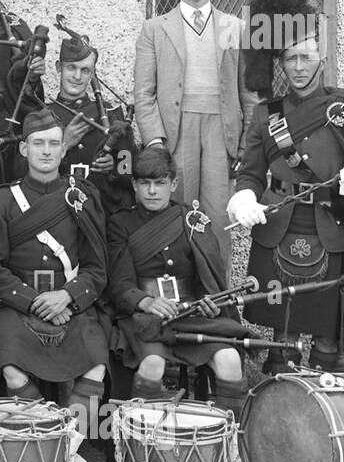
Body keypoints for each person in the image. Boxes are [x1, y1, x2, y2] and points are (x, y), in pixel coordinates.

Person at [228, 0, 344, 374]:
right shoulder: (265, 116)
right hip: (278, 229)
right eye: (291, 59)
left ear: (321, 58)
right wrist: (245, 199)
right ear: (281, 65)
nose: (299, 67)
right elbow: (250, 172)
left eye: (306, 57)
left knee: (327, 340)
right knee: (281, 339)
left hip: (333, 231)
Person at [0, 108, 108, 462]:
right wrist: (36, 300)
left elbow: (96, 268)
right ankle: (68, 460)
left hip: (69, 303)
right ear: (23, 148)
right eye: (39, 143)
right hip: (17, 305)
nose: (47, 150)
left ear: (63, 149)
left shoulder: (83, 196)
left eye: (55, 143)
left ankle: (57, 455)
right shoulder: (0, 200)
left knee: (97, 365)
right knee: (12, 369)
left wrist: (68, 295)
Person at [134, 0, 258, 255]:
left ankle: (218, 299)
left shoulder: (235, 27)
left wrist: (245, 144)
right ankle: (181, 296)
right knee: (177, 212)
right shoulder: (154, 29)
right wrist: (155, 142)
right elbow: (144, 93)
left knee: (217, 218)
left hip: (221, 130)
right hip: (176, 130)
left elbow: (249, 92)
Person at [106, 146, 249, 416]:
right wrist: (146, 302)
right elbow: (120, 284)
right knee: (153, 365)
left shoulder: (191, 220)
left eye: (159, 183)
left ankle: (227, 442)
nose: (152, 191)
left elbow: (208, 278)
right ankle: (140, 445)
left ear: (173, 184)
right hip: (145, 320)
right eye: (144, 183)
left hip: (191, 313)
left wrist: (209, 302)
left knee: (229, 359)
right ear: (134, 185)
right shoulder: (120, 224)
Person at [49, 32, 137, 212]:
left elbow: (130, 169)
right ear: (59, 67)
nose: (77, 76)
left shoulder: (110, 114)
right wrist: (64, 143)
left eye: (85, 70)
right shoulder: (44, 114)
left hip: (103, 209)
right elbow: (24, 172)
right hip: (58, 210)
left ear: (93, 74)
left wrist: (115, 167)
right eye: (71, 68)